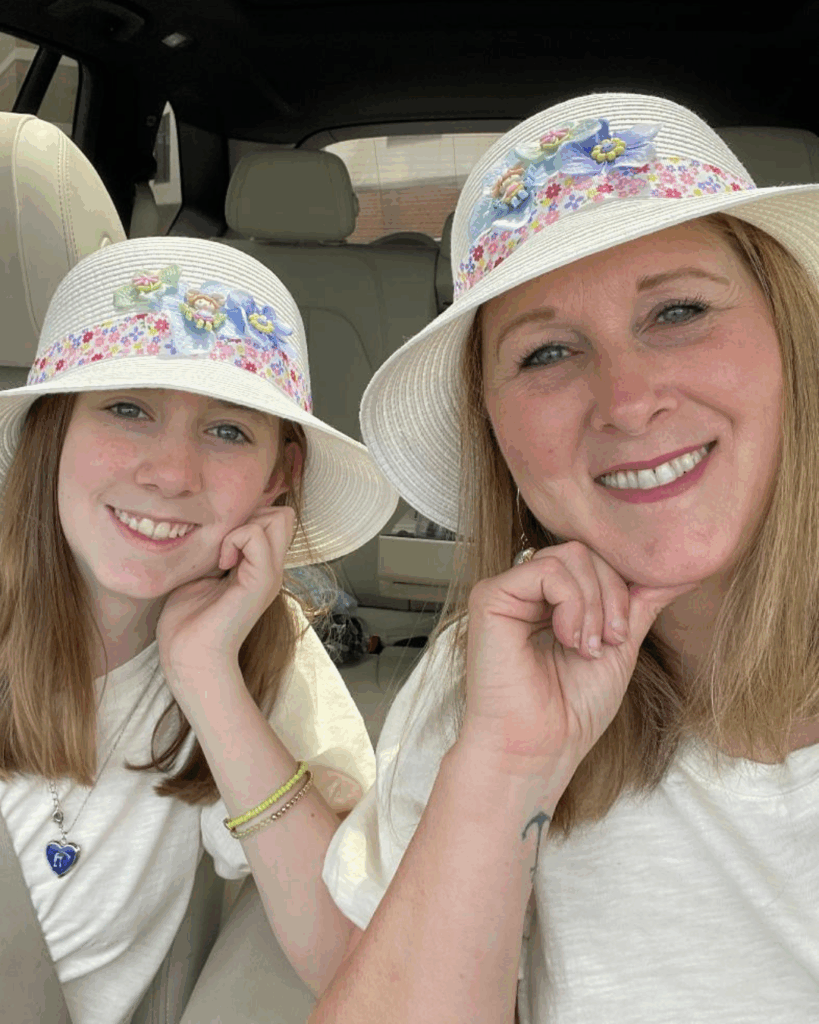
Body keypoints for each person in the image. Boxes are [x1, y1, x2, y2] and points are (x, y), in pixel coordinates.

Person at [311, 92, 819, 1022]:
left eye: (676, 310)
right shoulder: (489, 682)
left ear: (794, 345)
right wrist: (508, 765)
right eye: (546, 353)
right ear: (497, 433)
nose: (626, 401)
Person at [0, 235, 398, 1024]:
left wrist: (209, 678)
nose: (171, 473)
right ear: (54, 431)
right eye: (126, 408)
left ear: (277, 477)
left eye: (226, 432)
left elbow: (354, 967)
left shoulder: (261, 653)